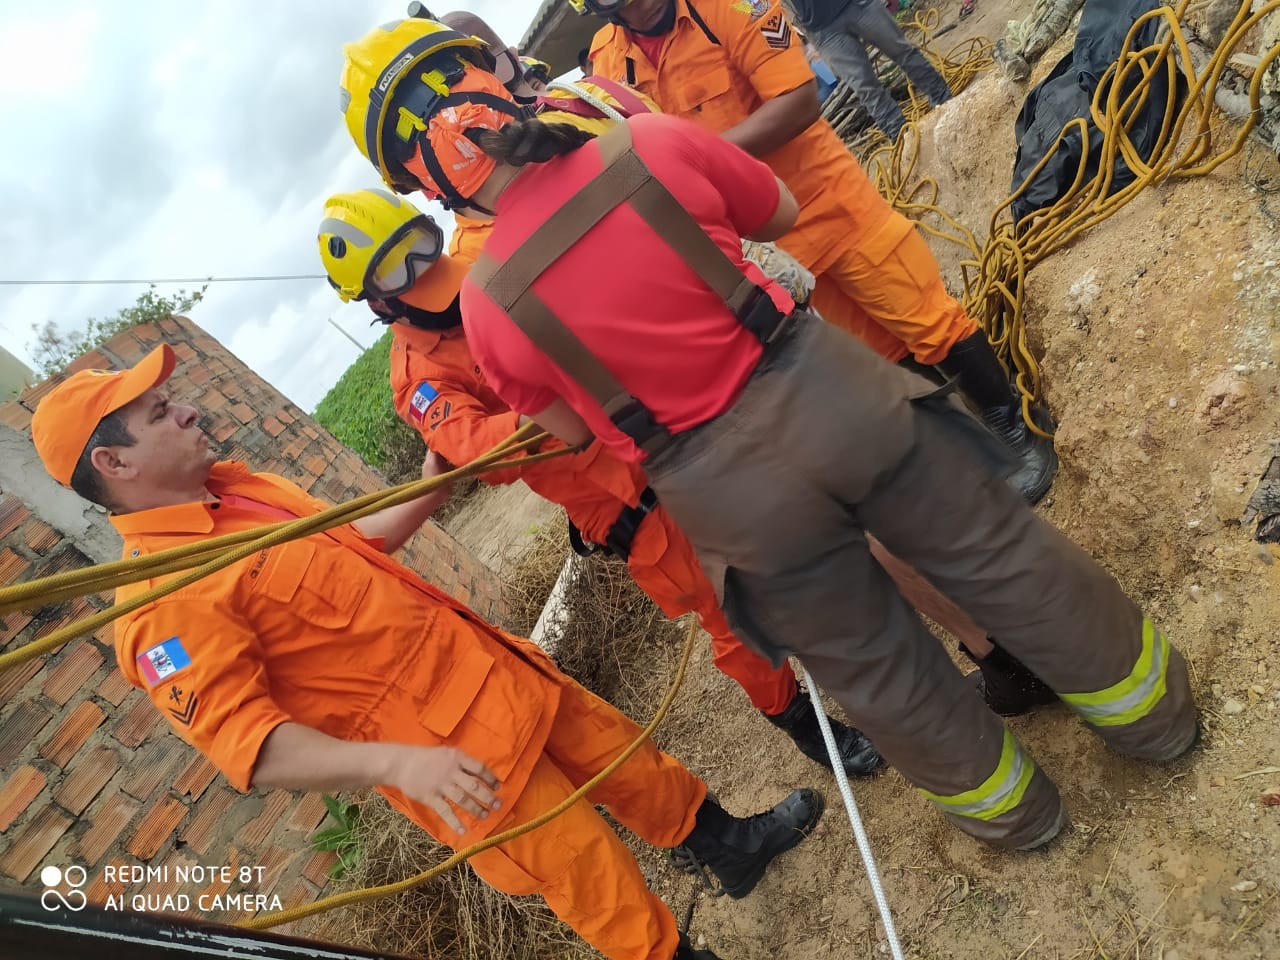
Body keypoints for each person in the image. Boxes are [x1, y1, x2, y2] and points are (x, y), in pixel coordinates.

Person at [335, 19, 1200, 851]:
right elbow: (779, 210)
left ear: (421, 185)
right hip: (828, 391)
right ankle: (1157, 721)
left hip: (724, 498)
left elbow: (567, 429)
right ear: (495, 82)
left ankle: (1019, 820)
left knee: (876, 669)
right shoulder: (648, 144)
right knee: (998, 553)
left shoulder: (487, 310)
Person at [348, 14, 1059, 718]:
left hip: (703, 426)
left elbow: (562, 408)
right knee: (899, 498)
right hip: (776, 333)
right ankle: (1028, 637)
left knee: (858, 555)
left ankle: (995, 655)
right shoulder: (592, 97)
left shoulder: (490, 236)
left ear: (421, 179)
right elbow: (730, 193)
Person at [28, 347, 824, 960]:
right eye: (163, 412)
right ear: (115, 463)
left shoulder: (244, 492)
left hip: (494, 670)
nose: (190, 412)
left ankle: (732, 848)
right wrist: (401, 768)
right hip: (455, 758)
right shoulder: (161, 609)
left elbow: (354, 548)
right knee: (592, 875)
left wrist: (431, 489)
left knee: (634, 765)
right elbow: (255, 748)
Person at [318, 186, 885, 776]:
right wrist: (566, 395)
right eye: (406, 278)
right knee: (734, 612)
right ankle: (805, 723)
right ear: (379, 306)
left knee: (797, 534)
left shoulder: (487, 271)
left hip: (674, 430)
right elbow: (485, 452)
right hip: (629, 505)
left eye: (425, 255)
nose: (440, 287)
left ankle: (875, 660)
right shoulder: (421, 379)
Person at [568, 0, 1057, 504]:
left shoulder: (732, 7)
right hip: (765, 244)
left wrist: (696, 163)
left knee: (925, 320)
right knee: (881, 354)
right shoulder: (610, 63)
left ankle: (1014, 422)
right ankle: (971, 441)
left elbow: (799, 99)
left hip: (827, 203)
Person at [785, 0, 953, 140]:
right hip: (822, 30)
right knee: (867, 89)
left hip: (858, 4)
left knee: (903, 52)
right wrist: (804, 39)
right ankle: (905, 141)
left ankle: (947, 106)